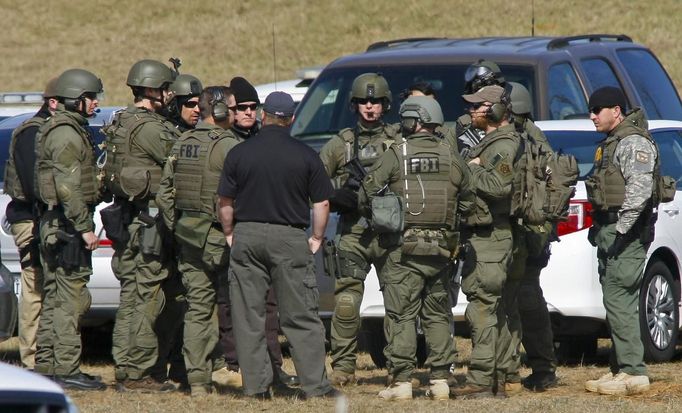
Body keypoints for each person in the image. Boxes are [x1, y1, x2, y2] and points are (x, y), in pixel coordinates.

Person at [218, 91, 338, 399]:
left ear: (262, 116)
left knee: (248, 315)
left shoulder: (239, 153)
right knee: (300, 315)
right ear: (292, 120)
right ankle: (314, 386)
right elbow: (322, 202)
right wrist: (316, 237)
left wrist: (231, 232)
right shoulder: (306, 154)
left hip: (247, 234)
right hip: (289, 237)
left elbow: (225, 201)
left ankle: (256, 387)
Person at [360, 96, 472, 401]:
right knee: (437, 314)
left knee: (401, 315)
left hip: (402, 251)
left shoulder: (397, 153)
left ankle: (402, 381)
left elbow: (367, 192)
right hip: (440, 250)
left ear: (413, 120)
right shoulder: (452, 155)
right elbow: (470, 197)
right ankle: (440, 381)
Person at [102, 59, 179, 392]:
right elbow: (179, 156)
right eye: (164, 89)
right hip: (148, 222)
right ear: (150, 90)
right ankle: (138, 372)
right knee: (149, 297)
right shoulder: (151, 127)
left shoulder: (121, 119)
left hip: (130, 218)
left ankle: (125, 365)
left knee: (132, 295)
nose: (169, 95)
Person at [159, 86, 242, 396]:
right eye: (232, 108)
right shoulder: (229, 146)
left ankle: (197, 380)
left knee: (197, 308)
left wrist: (176, 224)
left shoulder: (182, 142)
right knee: (229, 305)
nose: (235, 113)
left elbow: (164, 193)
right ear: (219, 110)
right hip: (219, 237)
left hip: (187, 236)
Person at [319, 73, 400, 386]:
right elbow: (313, 181)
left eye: (376, 101)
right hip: (353, 232)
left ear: (385, 104)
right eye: (364, 101)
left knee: (398, 302)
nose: (370, 107)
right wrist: (336, 194)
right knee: (347, 300)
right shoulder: (340, 145)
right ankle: (343, 367)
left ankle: (399, 367)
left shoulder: (399, 141)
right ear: (354, 105)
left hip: (390, 232)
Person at [216, 76, 297, 386]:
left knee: (270, 306)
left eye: (253, 107)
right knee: (231, 304)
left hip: (260, 234)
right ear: (230, 111)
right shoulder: (225, 144)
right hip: (231, 233)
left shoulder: (264, 142)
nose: (248, 113)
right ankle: (235, 365)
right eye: (242, 108)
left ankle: (273, 365)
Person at [33, 68, 106, 390]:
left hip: (57, 224)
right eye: (91, 99)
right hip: (67, 227)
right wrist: (84, 228)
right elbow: (67, 187)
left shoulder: (62, 128)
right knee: (70, 300)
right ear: (77, 100)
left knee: (55, 297)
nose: (95, 104)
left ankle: (47, 366)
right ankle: (65, 368)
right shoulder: (67, 134)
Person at [583, 86, 656, 396]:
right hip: (610, 231)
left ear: (616, 110)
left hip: (627, 233)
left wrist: (623, 230)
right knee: (615, 300)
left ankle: (633, 372)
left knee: (619, 298)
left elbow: (639, 191)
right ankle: (620, 367)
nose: (592, 116)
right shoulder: (613, 143)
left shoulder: (633, 142)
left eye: (597, 110)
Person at [450, 85, 519, 399]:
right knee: (495, 311)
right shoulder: (492, 142)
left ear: (494, 109)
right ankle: (498, 378)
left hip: (490, 238)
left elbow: (498, 185)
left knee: (481, 310)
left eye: (478, 106)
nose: (472, 112)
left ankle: (481, 380)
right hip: (488, 237)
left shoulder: (502, 146)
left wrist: (467, 169)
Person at [503, 82, 559, 392]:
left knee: (524, 297)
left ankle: (540, 366)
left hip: (527, 232)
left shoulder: (530, 142)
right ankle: (513, 366)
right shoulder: (526, 137)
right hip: (519, 231)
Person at [4, 77, 58, 370]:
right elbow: (33, 183)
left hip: (43, 219)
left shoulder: (50, 131)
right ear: (53, 102)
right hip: (31, 220)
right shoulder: (33, 133)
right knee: (34, 289)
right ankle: (31, 360)